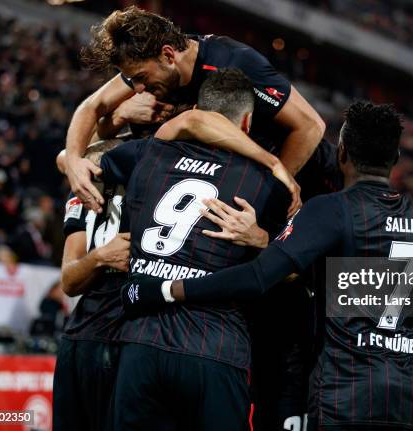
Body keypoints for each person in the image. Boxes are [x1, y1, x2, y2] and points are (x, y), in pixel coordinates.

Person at [131, 102, 413, 430]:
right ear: (397, 157)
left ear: (341, 153)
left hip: (344, 396)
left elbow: (257, 279)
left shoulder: (330, 211)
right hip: (401, 401)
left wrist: (166, 290)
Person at [97, 69, 292, 430]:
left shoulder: (147, 154)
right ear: (246, 123)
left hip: (141, 340)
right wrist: (263, 237)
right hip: (215, 348)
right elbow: (292, 265)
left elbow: (85, 158)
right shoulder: (266, 185)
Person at [62, 6, 325, 214]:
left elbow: (311, 125)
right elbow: (91, 106)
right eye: (132, 81)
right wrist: (74, 160)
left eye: (141, 78)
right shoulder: (149, 69)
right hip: (235, 173)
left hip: (307, 180)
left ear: (168, 55)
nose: (137, 89)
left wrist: (271, 194)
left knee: (338, 278)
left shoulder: (232, 62)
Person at [53, 172, 132, 431]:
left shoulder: (158, 178)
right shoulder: (83, 191)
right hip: (82, 337)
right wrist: (100, 257)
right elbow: (68, 281)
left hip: (135, 337)